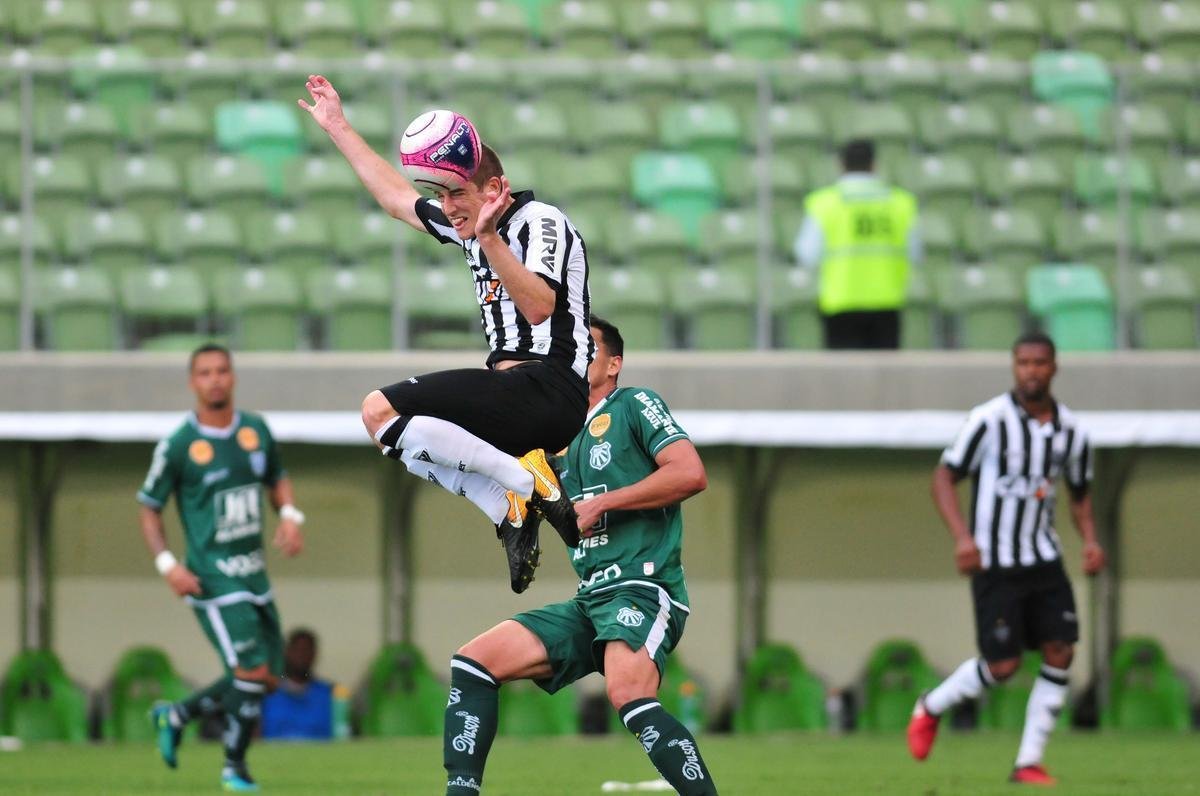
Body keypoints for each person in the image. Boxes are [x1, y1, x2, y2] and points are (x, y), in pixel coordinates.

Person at [299, 74, 591, 594]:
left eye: (457, 192)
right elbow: (396, 199)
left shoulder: (539, 220)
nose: (448, 204)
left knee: (379, 408)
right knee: (400, 440)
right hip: (511, 400)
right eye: (441, 193)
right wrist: (338, 126)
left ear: (494, 190)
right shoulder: (468, 225)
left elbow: (542, 307)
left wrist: (488, 238)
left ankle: (527, 483)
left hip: (550, 388)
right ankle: (511, 508)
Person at [438, 316, 717, 796]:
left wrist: (604, 502)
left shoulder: (633, 404)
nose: (574, 357)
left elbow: (690, 473)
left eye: (588, 349)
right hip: (589, 599)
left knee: (627, 693)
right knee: (474, 663)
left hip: (643, 587)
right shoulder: (550, 438)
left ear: (614, 364)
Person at [908, 332, 1106, 786]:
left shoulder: (1071, 430)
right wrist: (962, 537)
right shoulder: (989, 420)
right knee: (1004, 666)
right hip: (994, 560)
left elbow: (1079, 494)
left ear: (1054, 367)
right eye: (1023, 363)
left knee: (1061, 650)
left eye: (1040, 363)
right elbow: (944, 477)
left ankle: (1028, 762)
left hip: (1044, 556)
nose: (1031, 371)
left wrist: (1091, 540)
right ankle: (931, 706)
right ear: (1014, 367)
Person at [139, 343, 305, 793]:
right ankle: (234, 767)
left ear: (232, 377)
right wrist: (167, 564)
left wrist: (290, 516)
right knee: (250, 672)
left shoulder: (255, 430)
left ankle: (177, 715)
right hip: (211, 576)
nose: (215, 379)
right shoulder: (178, 444)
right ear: (193, 382)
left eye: (222, 371)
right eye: (205, 373)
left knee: (268, 677)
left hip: (254, 572)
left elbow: (277, 478)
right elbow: (149, 507)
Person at [794, 138, 921, 349]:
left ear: (841, 165)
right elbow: (915, 254)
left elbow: (806, 254)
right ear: (874, 165)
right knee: (886, 378)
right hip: (887, 302)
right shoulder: (901, 203)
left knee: (843, 379)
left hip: (841, 302)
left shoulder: (825, 204)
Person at [261, 628, 344, 741]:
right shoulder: (267, 692)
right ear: (286, 652)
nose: (302, 655)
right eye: (297, 649)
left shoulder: (332, 694)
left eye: (307, 650)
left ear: (315, 654)